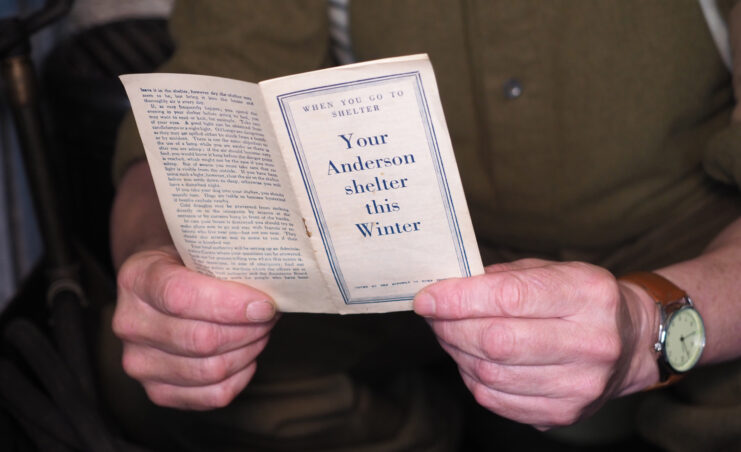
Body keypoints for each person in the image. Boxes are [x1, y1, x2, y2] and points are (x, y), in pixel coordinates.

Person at [103, 1, 741, 450]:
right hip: (398, 255)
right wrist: (157, 262)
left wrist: (649, 331)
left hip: (690, 241)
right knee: (161, 380)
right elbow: (212, 93)